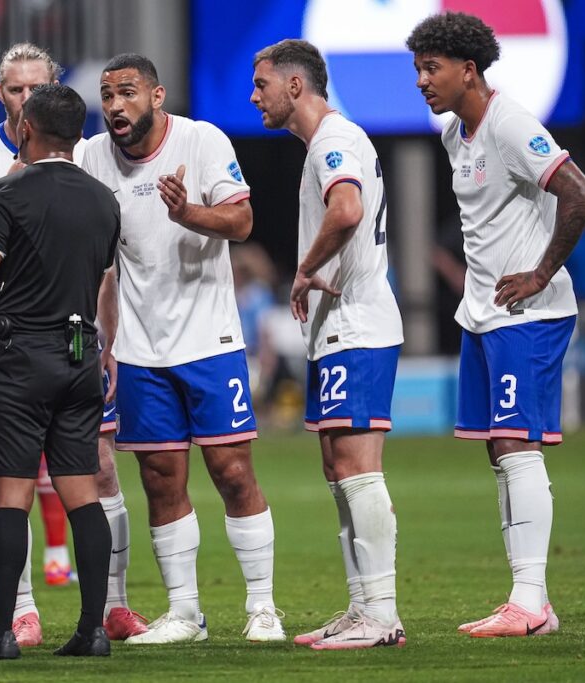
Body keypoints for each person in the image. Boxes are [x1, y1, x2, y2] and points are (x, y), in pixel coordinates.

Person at [0, 42, 146, 642]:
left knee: (11, 496)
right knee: (83, 490)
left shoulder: (3, 195)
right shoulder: (103, 198)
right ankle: (92, 628)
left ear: (27, 128)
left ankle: (3, 632)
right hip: (82, 353)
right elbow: (102, 275)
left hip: (20, 352)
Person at [407, 12, 585, 637]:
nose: (421, 81)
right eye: (417, 69)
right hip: (485, 315)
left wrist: (541, 274)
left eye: (431, 68)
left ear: (469, 70)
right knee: (499, 448)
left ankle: (531, 600)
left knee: (517, 445)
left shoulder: (511, 123)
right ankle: (528, 600)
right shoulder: (453, 136)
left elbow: (581, 194)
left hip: (529, 314)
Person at [83, 53, 283, 644]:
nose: (115, 105)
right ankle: (184, 612)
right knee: (160, 478)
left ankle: (263, 608)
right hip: (140, 350)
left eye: (127, 92)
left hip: (209, 340)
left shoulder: (201, 140)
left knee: (232, 470)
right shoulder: (93, 157)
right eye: (107, 95)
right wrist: (106, 339)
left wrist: (188, 211)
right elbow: (103, 262)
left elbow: (242, 221)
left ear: (157, 95)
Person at [250, 39, 406, 650]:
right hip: (337, 329)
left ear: (295, 86)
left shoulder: (334, 141)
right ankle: (362, 604)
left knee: (357, 470)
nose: (253, 95)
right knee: (338, 469)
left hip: (356, 324)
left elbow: (346, 210)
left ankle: (382, 614)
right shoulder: (327, 143)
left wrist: (303, 268)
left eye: (262, 82)